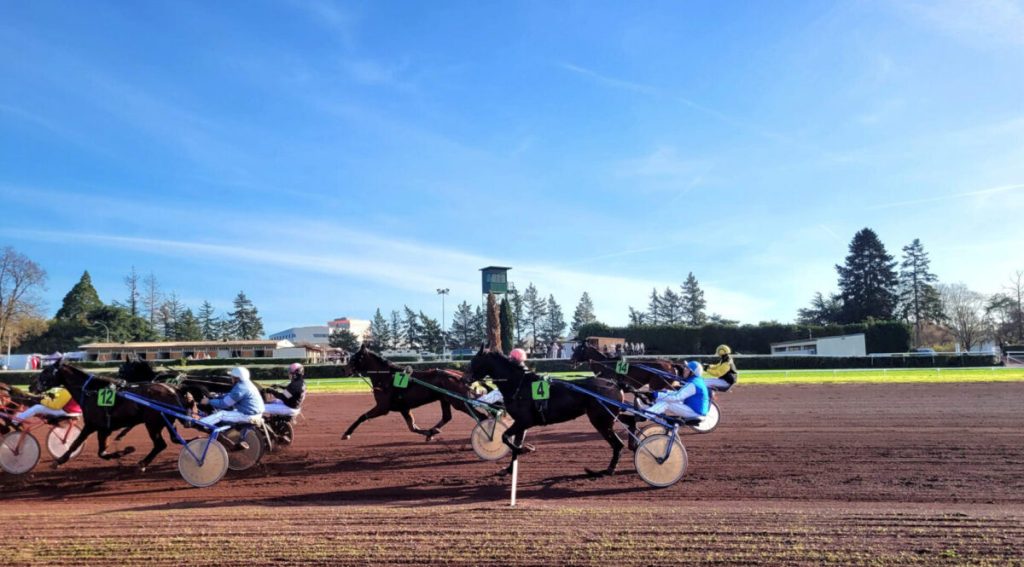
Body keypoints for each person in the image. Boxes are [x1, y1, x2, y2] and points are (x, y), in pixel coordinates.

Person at [199, 367, 265, 428]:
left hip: (249, 415)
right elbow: (231, 395)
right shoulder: (247, 384)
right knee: (229, 411)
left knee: (221, 414)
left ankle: (198, 425)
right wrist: (217, 396)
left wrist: (209, 401)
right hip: (253, 413)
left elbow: (224, 404)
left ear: (237, 378)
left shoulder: (240, 388)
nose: (231, 378)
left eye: (232, 377)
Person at [643, 361, 709, 422]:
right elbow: (678, 394)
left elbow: (676, 397)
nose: (684, 370)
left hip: (695, 413)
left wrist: (656, 394)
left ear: (692, 373)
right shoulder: (695, 381)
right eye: (685, 368)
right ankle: (646, 410)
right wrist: (664, 392)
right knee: (663, 398)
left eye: (687, 369)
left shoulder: (693, 384)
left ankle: (646, 415)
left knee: (667, 402)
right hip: (691, 408)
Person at [14, 386, 82, 423]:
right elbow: (57, 397)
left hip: (65, 412)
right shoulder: (72, 389)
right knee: (37, 407)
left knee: (37, 407)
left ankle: (16, 420)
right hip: (73, 411)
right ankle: (23, 415)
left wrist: (42, 401)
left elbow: (56, 406)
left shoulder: (67, 391)